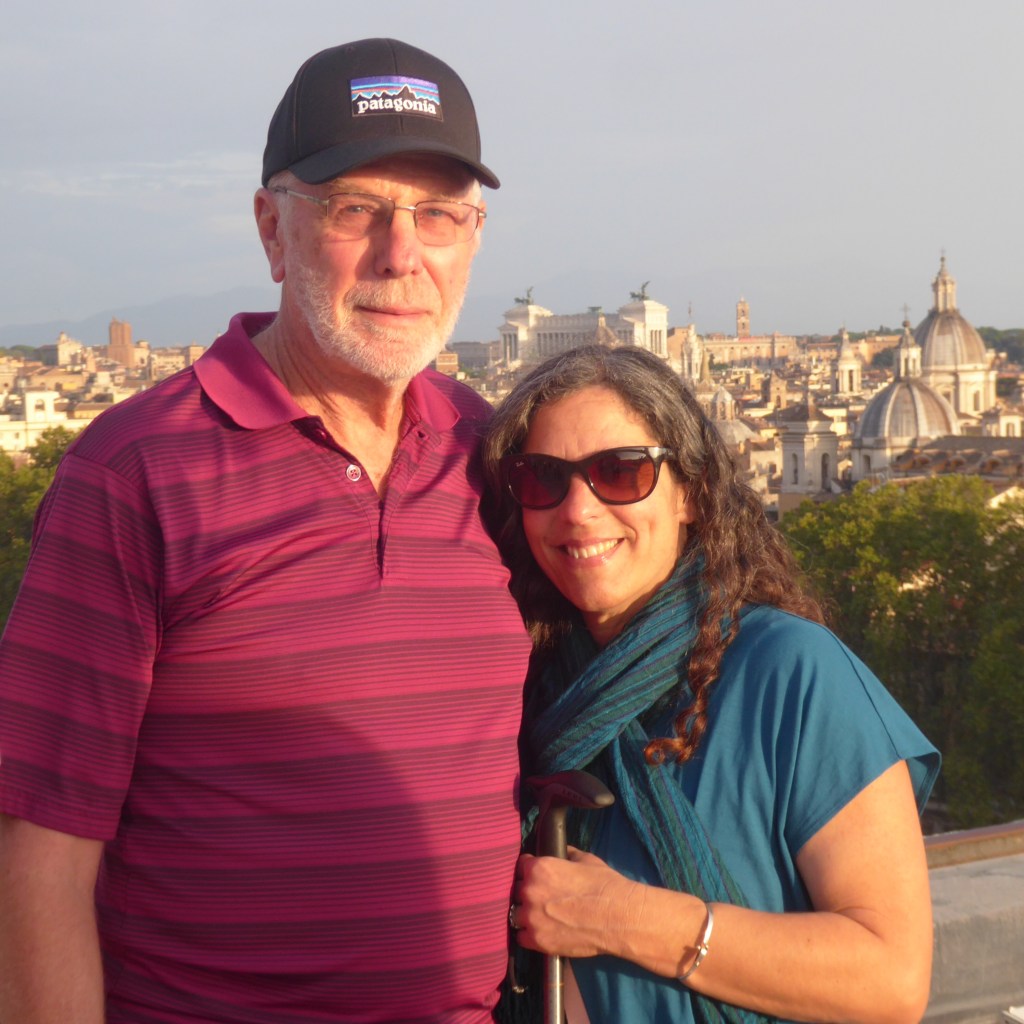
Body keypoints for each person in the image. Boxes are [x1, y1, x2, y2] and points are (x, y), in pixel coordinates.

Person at [0, 39, 531, 1024]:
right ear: (272, 229)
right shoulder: (136, 472)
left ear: (473, 238)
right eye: (355, 209)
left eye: (438, 215)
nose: (402, 254)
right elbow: (40, 846)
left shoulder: (497, 454)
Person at [482, 345, 940, 1024]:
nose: (578, 510)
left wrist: (624, 918)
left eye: (620, 472)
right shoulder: (523, 685)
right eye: (543, 478)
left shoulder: (792, 671)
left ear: (690, 492)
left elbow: (892, 980)